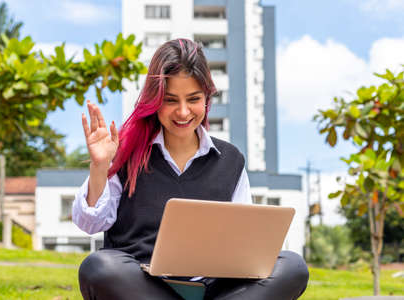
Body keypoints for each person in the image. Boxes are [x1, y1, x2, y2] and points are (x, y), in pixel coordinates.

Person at [73, 38, 309, 300]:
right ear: (155, 101)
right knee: (99, 267)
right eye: (171, 100)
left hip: (215, 288)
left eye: (193, 99)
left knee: (293, 266)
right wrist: (99, 166)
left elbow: (245, 244)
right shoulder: (126, 152)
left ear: (207, 98)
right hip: (142, 286)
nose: (183, 112)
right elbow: (90, 223)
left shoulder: (230, 160)